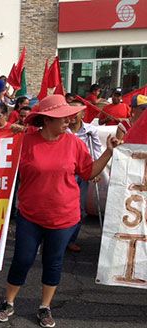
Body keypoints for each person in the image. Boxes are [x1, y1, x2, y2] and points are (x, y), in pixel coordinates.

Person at [0, 94, 119, 328]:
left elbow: (89, 173)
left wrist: (109, 152)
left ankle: (45, 307)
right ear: (47, 120)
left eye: (69, 117)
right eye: (63, 117)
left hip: (63, 217)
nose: (69, 121)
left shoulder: (74, 143)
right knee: (22, 259)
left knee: (53, 262)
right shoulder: (25, 141)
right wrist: (8, 130)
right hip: (30, 215)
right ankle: (8, 302)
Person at [67, 99, 102, 253]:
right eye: (70, 111)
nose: (73, 115)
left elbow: (97, 149)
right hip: (67, 172)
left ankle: (71, 239)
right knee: (63, 206)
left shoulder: (90, 130)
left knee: (79, 208)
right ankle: (57, 237)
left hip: (84, 172)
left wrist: (96, 170)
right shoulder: (62, 129)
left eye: (76, 112)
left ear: (83, 113)